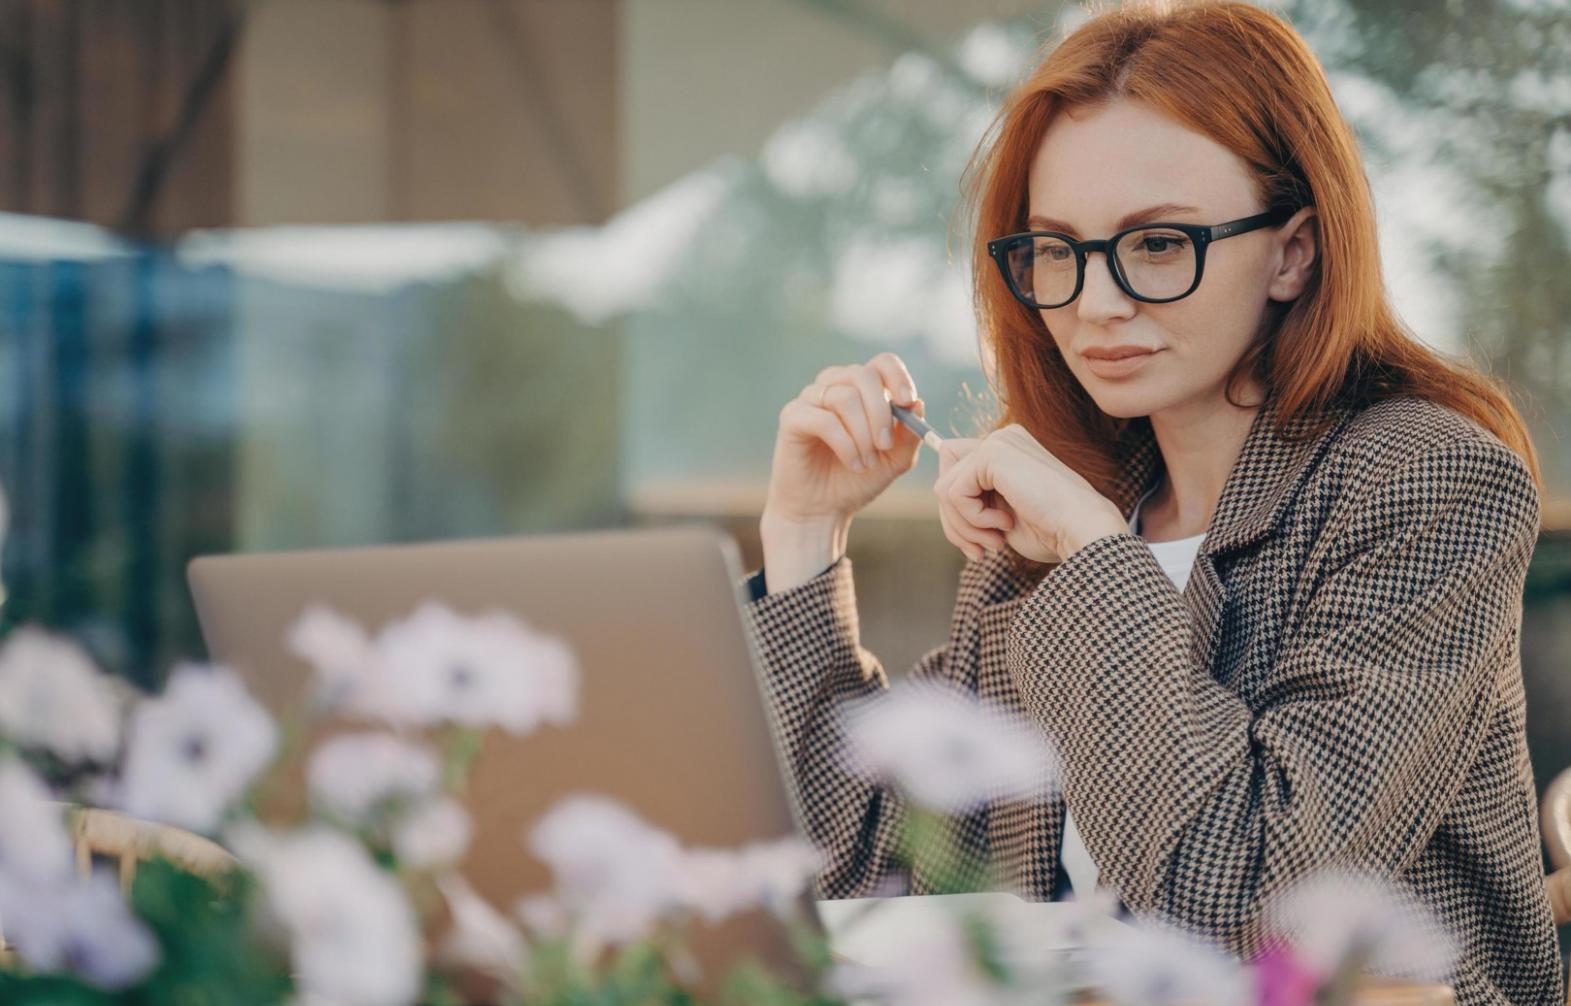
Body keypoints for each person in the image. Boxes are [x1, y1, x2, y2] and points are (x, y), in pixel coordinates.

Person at [734, 2, 1561, 1002]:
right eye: (1055, 250)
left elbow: (1252, 900)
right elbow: (873, 878)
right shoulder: (1070, 506)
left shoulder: (1425, 485)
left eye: (1157, 245)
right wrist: (803, 535)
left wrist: (1090, 555)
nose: (1094, 304)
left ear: (1292, 251)